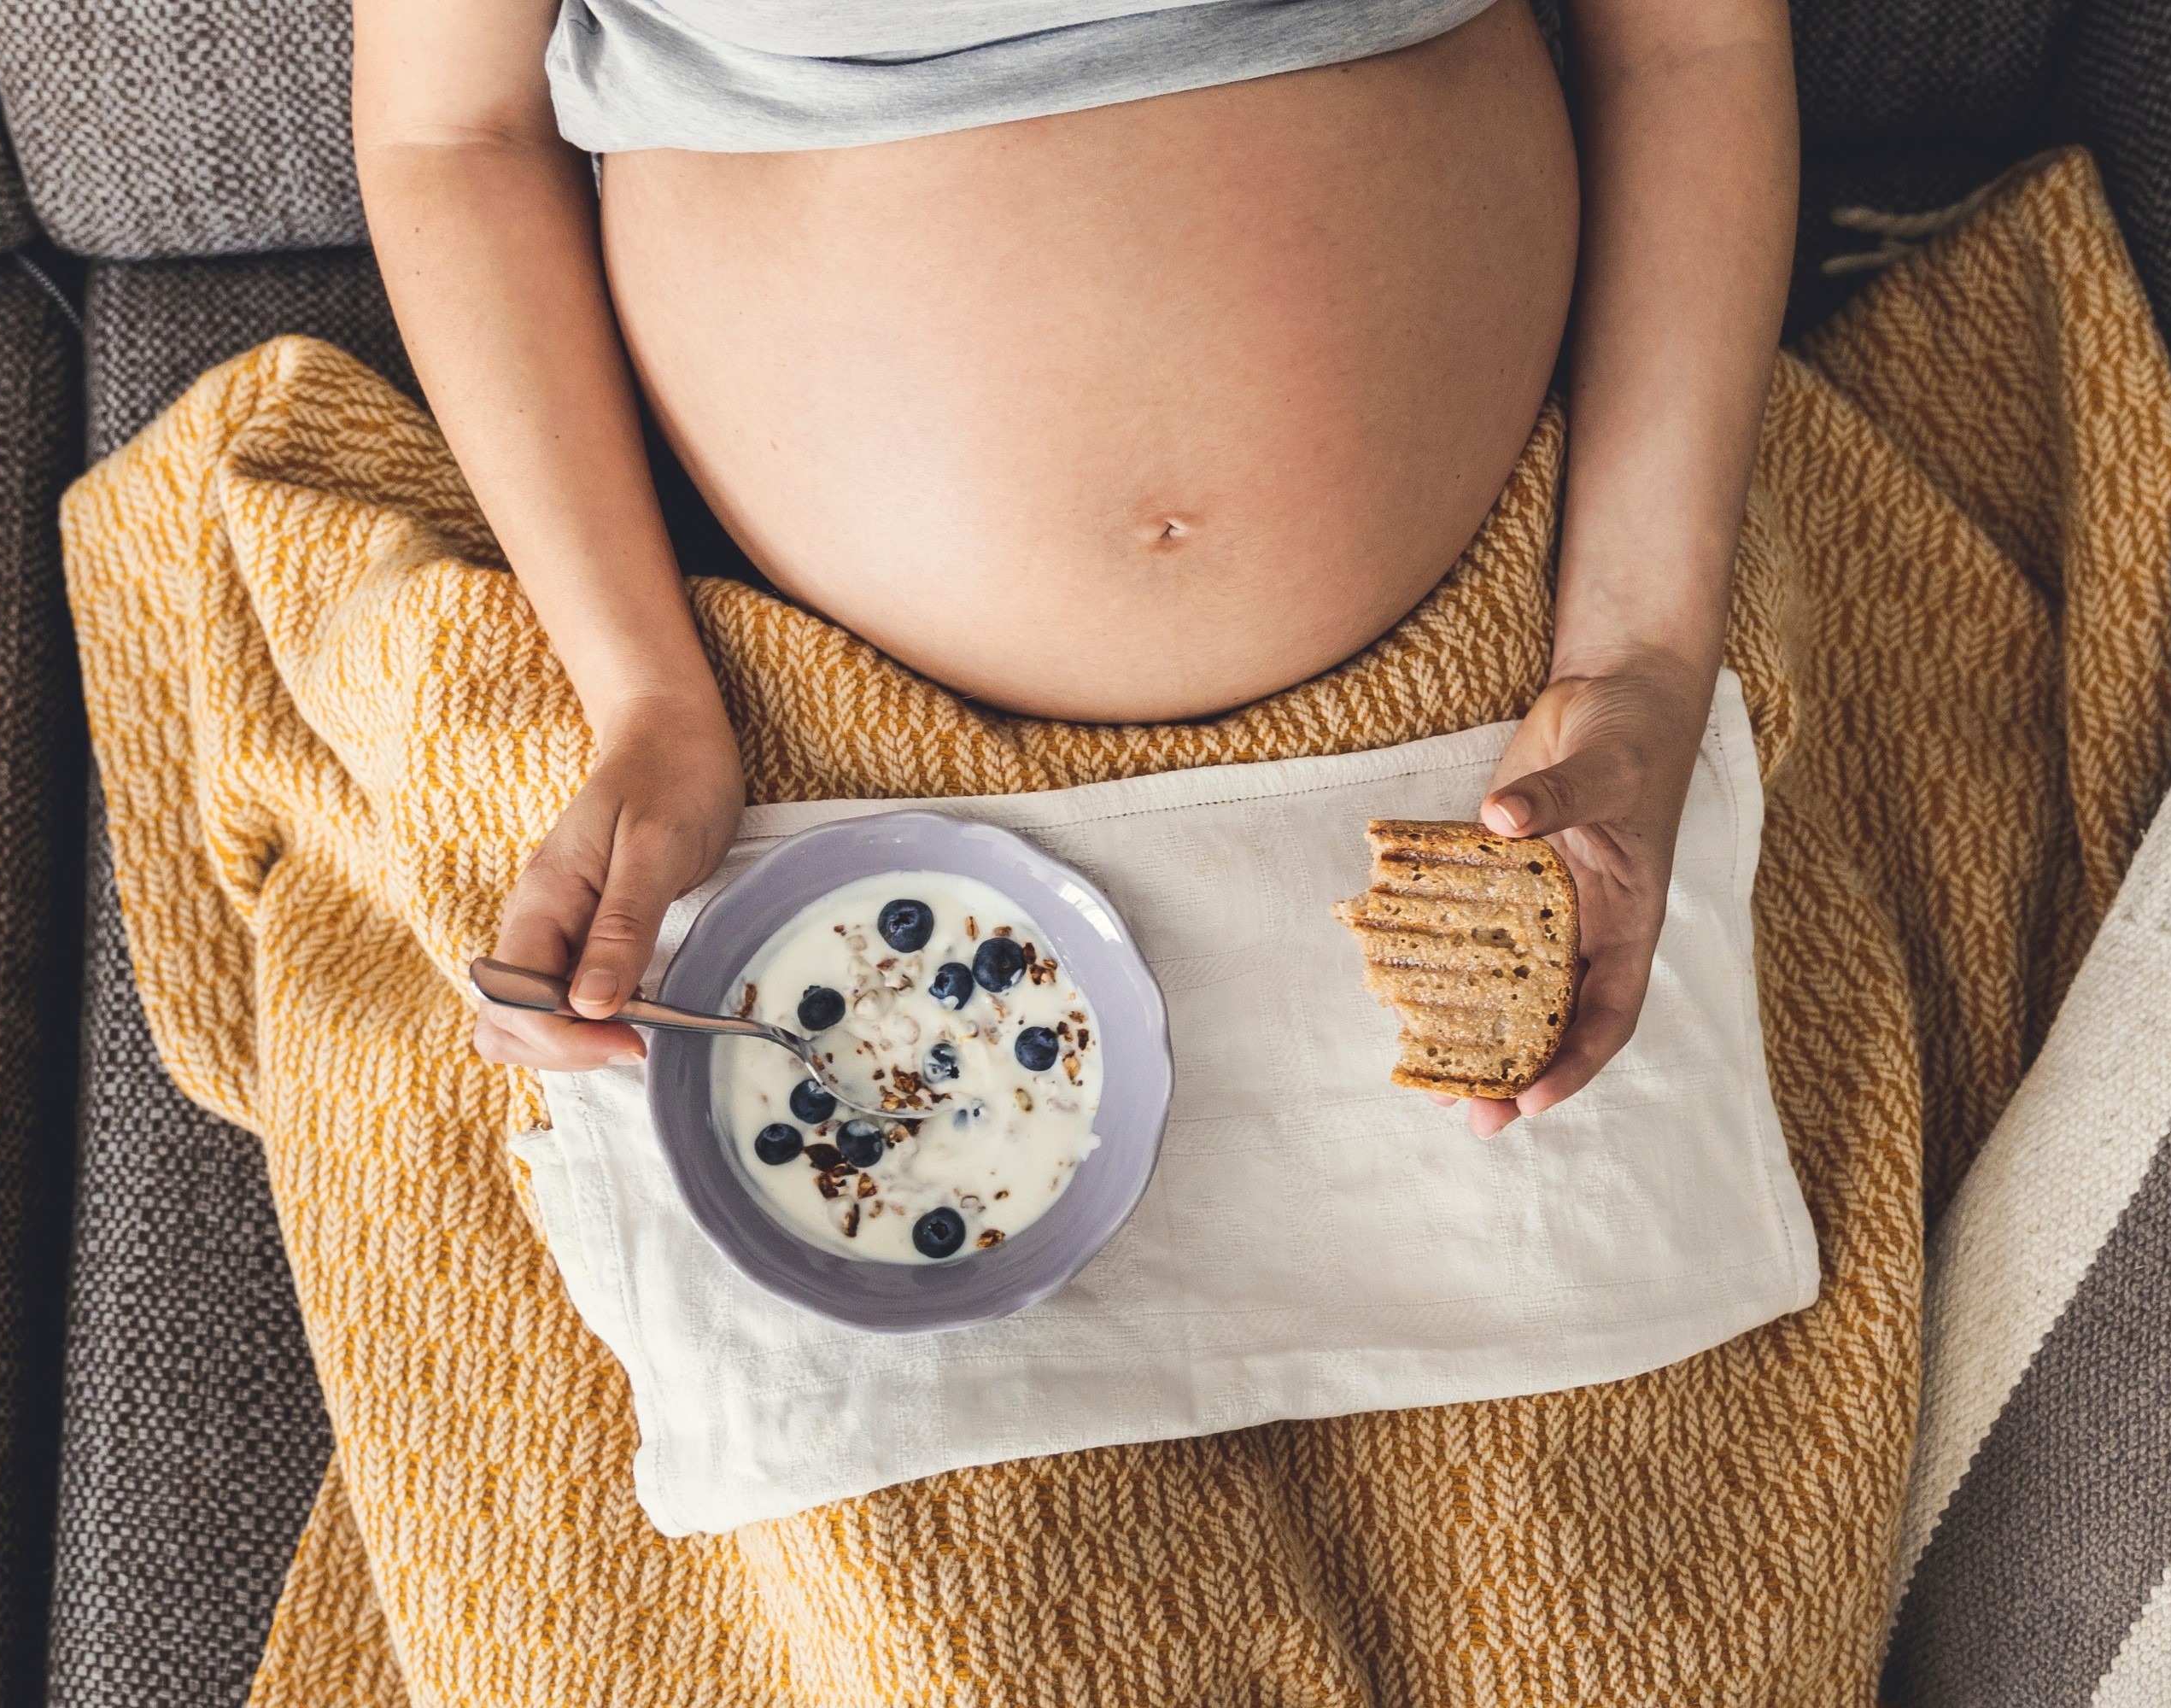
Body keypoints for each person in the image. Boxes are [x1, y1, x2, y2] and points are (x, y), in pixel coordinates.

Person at [354, 0, 1795, 1135]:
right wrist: (645, 699)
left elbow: (1690, 43)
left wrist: (1642, 658)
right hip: (788, 720)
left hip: (1530, 667)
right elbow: (452, 136)